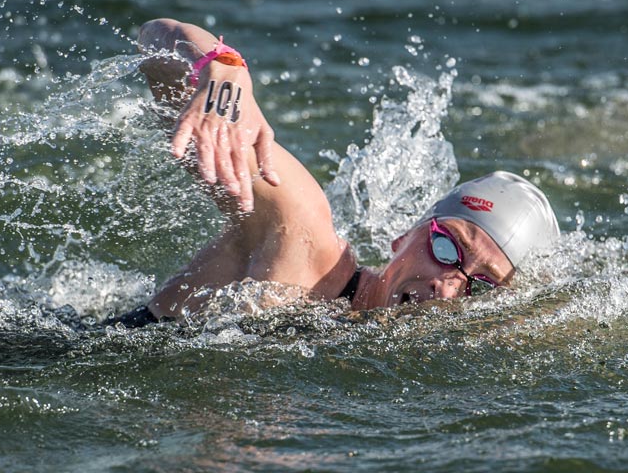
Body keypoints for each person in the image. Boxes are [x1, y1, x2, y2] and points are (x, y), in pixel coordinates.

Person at [107, 18, 560, 328]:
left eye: (479, 287)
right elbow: (156, 37)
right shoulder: (299, 242)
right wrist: (223, 72)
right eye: (447, 247)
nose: (447, 288)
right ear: (405, 236)